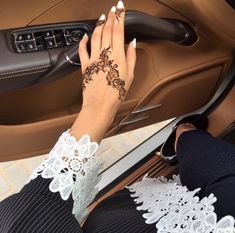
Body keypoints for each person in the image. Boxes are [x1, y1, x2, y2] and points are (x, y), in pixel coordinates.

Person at [0, 1, 235, 232]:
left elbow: (25, 218)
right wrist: (98, 106)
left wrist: (98, 108)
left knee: (199, 152)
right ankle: (185, 136)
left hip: (123, 218)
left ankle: (182, 137)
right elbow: (25, 218)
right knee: (206, 156)